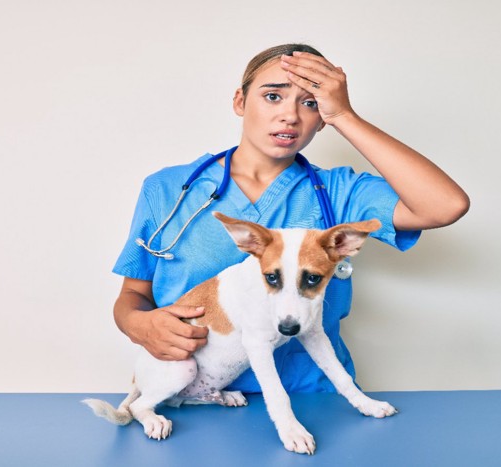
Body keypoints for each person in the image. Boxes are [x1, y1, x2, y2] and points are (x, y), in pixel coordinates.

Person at [112, 44, 469, 393]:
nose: (290, 115)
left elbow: (445, 206)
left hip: (310, 397)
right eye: (273, 96)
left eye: (311, 102)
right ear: (240, 102)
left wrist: (346, 116)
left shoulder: (340, 191)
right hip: (192, 392)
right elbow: (133, 295)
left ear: (323, 118)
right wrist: (137, 324)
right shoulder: (169, 189)